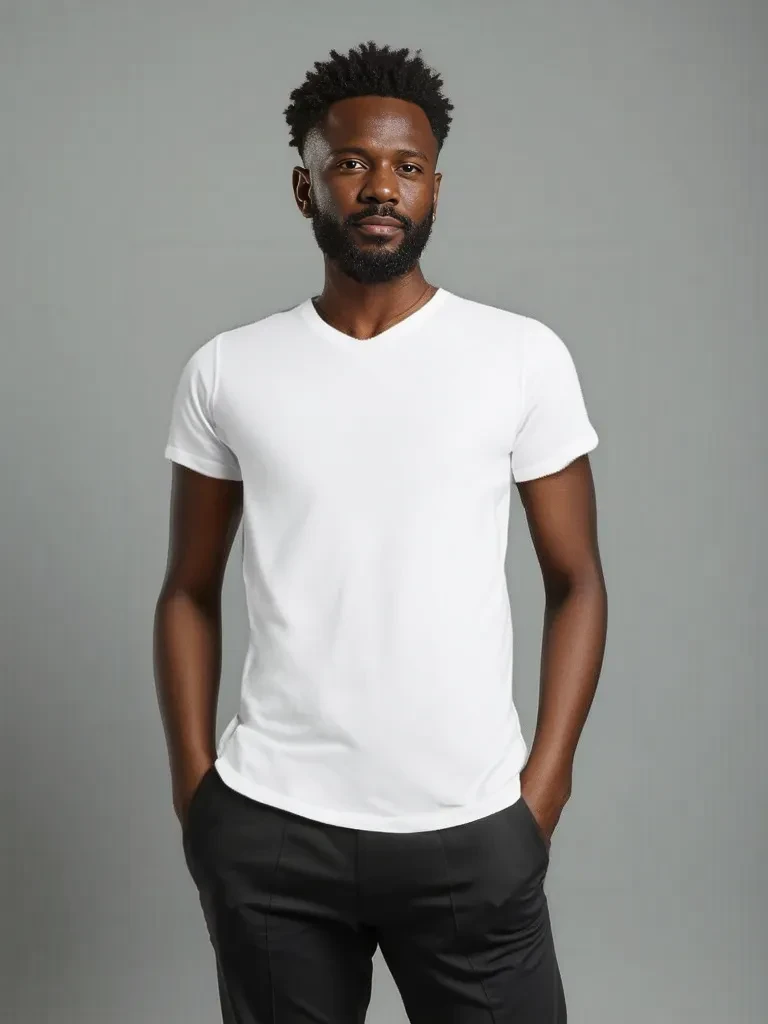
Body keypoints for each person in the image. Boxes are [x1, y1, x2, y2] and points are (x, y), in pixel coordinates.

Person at [154, 39, 607, 1024]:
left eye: (408, 167)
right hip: (272, 833)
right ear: (304, 186)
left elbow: (577, 580)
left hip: (472, 829)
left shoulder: (520, 358)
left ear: (436, 188)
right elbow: (187, 589)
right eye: (351, 163)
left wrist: (545, 791)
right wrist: (197, 794)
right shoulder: (228, 370)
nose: (380, 187)